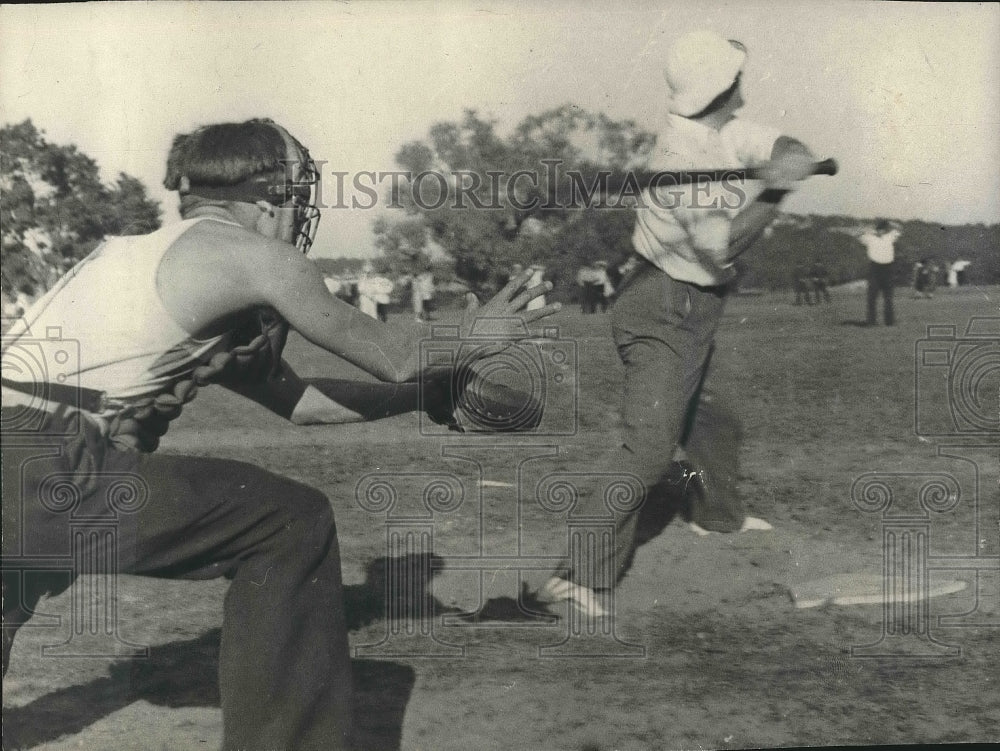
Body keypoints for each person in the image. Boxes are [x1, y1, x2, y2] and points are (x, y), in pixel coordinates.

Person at [0, 118, 557, 751]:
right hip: (46, 456)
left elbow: (304, 405)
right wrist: (473, 340)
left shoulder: (150, 253)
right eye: (297, 195)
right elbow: (393, 353)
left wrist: (428, 394)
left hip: (24, 456)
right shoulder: (252, 256)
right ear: (270, 198)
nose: (300, 212)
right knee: (289, 523)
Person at [537, 30, 815, 617]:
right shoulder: (678, 160)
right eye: (737, 80)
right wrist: (778, 190)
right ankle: (575, 574)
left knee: (713, 415)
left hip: (691, 303)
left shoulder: (718, 130)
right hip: (664, 306)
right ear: (723, 87)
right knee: (648, 450)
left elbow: (771, 140)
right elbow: (725, 245)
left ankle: (715, 517)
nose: (744, 91)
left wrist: (788, 151)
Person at [859, 220, 901, 325]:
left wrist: (891, 223)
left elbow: (900, 229)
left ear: (887, 230)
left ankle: (889, 321)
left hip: (888, 268)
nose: (881, 232)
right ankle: (871, 321)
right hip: (875, 268)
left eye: (884, 230)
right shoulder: (869, 237)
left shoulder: (890, 236)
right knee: (872, 297)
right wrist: (868, 230)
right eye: (880, 229)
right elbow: (860, 236)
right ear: (877, 229)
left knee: (888, 297)